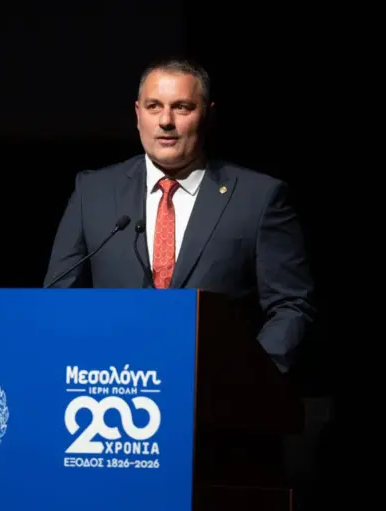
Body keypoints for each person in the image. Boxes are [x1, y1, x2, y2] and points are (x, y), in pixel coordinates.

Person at [43, 58, 316, 375]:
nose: (165, 121)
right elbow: (58, 299)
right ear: (138, 114)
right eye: (154, 106)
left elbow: (291, 305)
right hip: (112, 384)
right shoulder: (93, 192)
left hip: (217, 391)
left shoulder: (259, 198)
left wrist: (252, 378)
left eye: (182, 107)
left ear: (208, 115)